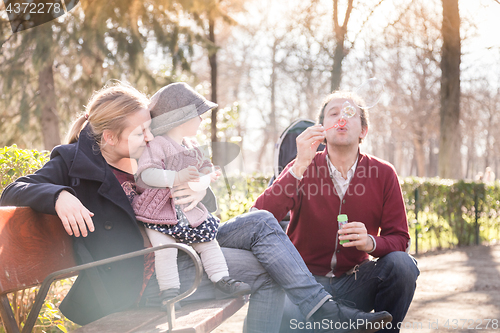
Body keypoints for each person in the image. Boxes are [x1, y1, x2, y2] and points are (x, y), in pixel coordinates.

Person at [0, 82, 391, 333]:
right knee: (271, 271)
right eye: (141, 130)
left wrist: (200, 183)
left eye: (150, 127)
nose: (150, 135)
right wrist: (59, 195)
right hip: (149, 276)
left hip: (186, 243)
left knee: (260, 220)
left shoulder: (148, 153)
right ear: (109, 136)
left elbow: (202, 204)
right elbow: (14, 189)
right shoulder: (74, 162)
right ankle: (326, 311)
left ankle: (323, 310)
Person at [253, 91, 420, 332]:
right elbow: (259, 215)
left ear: (363, 131)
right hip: (303, 286)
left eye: (350, 114)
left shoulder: (384, 173)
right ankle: (335, 323)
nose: (341, 118)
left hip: (355, 283)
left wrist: (371, 242)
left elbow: (401, 239)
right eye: (333, 113)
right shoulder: (303, 165)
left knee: (403, 265)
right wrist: (300, 164)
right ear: (322, 129)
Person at [132, 82, 251, 309]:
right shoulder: (158, 145)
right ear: (181, 118)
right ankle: (169, 293)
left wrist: (204, 181)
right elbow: (146, 175)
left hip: (187, 208)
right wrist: (175, 178)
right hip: (159, 210)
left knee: (208, 242)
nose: (202, 120)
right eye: (198, 114)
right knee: (165, 249)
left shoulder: (193, 145)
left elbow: (206, 168)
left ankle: (222, 279)